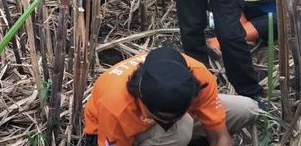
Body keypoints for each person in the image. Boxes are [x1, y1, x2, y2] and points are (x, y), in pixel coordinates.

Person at [83, 46, 259, 146]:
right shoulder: (116, 105)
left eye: (173, 117)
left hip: (181, 118)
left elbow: (219, 136)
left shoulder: (199, 75)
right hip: (110, 133)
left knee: (246, 108)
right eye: (161, 119)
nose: (167, 123)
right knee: (181, 129)